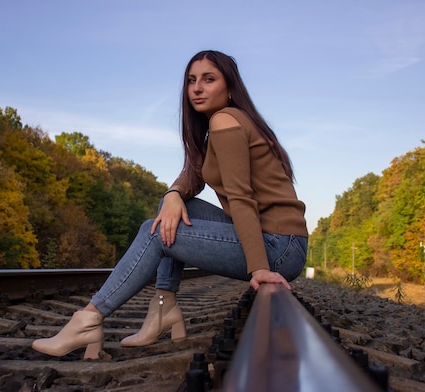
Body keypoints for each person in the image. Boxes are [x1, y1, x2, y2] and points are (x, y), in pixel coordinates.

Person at [32, 50, 308, 359]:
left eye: (208, 79)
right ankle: (163, 310)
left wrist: (259, 268)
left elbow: (241, 197)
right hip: (281, 240)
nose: (197, 88)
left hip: (279, 247)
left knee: (154, 232)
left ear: (230, 88)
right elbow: (192, 176)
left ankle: (89, 319)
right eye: (191, 81)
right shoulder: (219, 128)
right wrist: (173, 195)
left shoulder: (224, 121)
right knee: (175, 212)